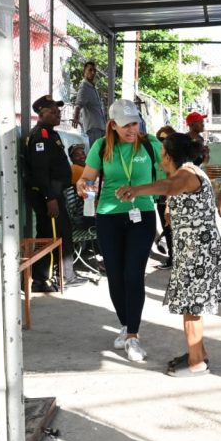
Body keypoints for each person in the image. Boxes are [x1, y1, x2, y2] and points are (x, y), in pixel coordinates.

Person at [118, 133, 221, 376]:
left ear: (169, 156)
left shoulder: (187, 175)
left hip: (198, 255)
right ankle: (197, 354)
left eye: (161, 154)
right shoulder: (189, 171)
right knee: (191, 308)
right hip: (194, 252)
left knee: (191, 309)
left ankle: (197, 364)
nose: (160, 159)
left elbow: (169, 186)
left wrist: (136, 190)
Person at [76, 99, 161, 363]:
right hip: (108, 216)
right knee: (115, 275)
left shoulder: (150, 145)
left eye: (134, 123)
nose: (131, 129)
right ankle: (125, 325)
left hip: (142, 214)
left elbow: (171, 175)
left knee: (133, 274)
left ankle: (133, 336)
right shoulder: (101, 147)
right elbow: (87, 178)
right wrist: (83, 185)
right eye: (125, 125)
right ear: (113, 125)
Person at [23, 95, 83, 291]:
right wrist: (50, 198)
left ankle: (65, 276)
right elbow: (40, 171)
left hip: (55, 194)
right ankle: (42, 280)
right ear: (41, 114)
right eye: (52, 111)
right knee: (52, 236)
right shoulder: (41, 135)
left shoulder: (51, 134)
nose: (57, 114)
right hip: (48, 196)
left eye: (58, 110)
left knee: (59, 233)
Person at [153, 126, 176, 269]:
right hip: (160, 197)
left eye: (166, 139)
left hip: (170, 197)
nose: (162, 142)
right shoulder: (159, 156)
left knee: (170, 229)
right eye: (160, 139)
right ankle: (172, 257)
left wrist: (168, 203)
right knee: (167, 229)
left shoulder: (172, 158)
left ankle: (173, 259)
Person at [72, 61, 106, 146]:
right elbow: (78, 104)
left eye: (94, 70)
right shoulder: (84, 87)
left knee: (101, 154)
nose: (93, 72)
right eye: (90, 70)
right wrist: (76, 118)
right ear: (84, 72)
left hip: (100, 127)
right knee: (96, 154)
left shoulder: (92, 87)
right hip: (93, 129)